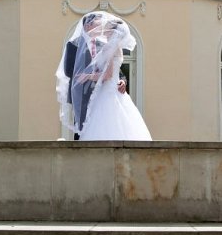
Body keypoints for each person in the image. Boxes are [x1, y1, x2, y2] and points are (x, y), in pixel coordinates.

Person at [56, 11, 152, 141]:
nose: (101, 25)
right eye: (98, 22)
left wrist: (123, 80)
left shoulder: (104, 44)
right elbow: (68, 70)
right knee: (82, 128)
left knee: (100, 126)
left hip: (101, 92)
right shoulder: (74, 44)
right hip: (82, 94)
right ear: (88, 25)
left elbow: (114, 70)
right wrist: (85, 77)